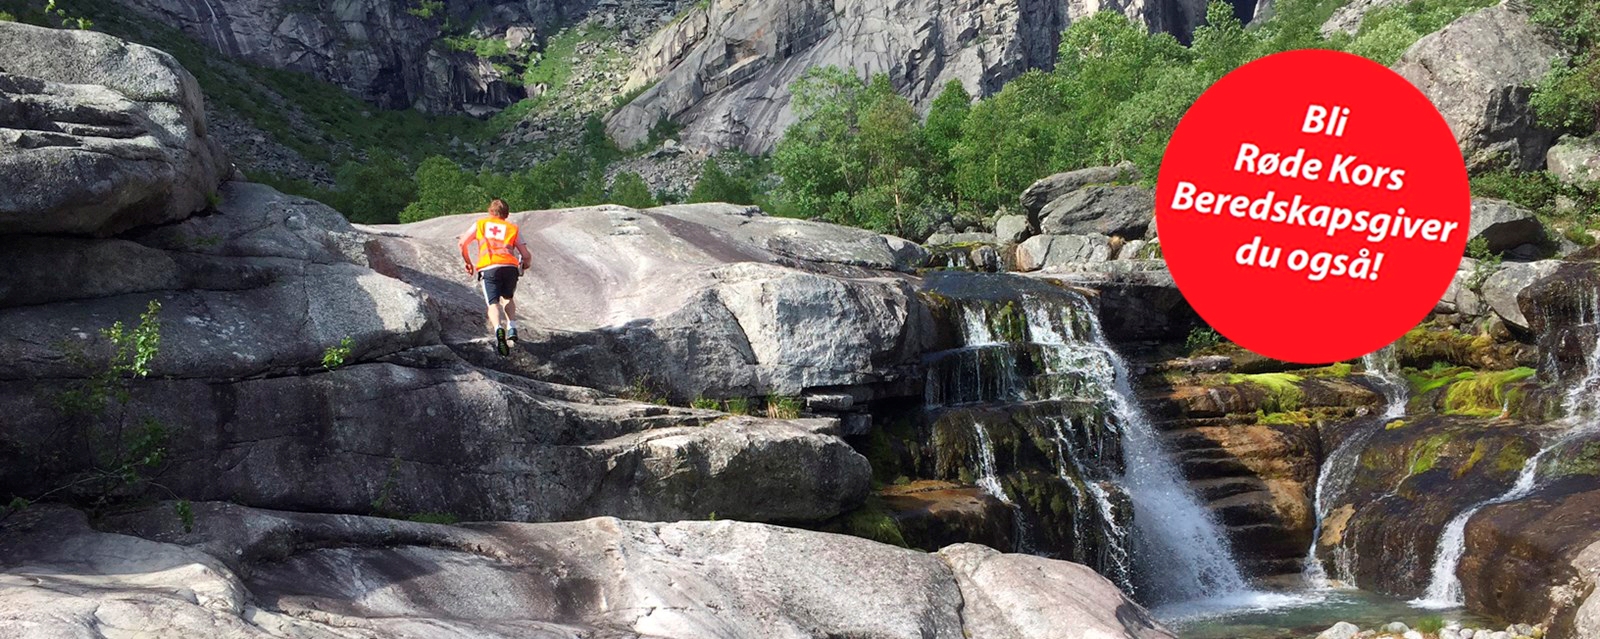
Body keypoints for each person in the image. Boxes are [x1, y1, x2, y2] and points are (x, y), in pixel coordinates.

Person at [458, 199, 532, 356]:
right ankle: (512, 326)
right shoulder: (512, 228)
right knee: (508, 298)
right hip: (510, 267)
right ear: (506, 213)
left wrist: (468, 262)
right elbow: (525, 255)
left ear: (490, 211)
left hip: (489, 267)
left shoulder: (480, 224)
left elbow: (462, 243)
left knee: (493, 303)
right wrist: (525, 265)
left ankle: (499, 329)